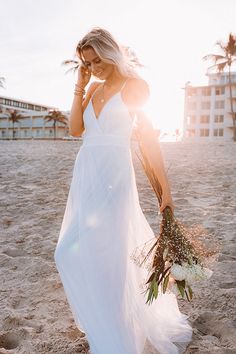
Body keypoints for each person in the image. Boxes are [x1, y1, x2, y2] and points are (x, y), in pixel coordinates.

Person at [54, 27, 192, 354]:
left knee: (110, 258)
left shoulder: (134, 87)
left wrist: (165, 192)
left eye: (97, 59)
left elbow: (148, 141)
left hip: (115, 177)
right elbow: (76, 129)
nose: (94, 66)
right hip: (86, 176)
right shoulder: (92, 89)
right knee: (68, 253)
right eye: (87, 62)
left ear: (111, 52)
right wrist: (80, 85)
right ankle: (105, 320)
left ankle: (116, 335)